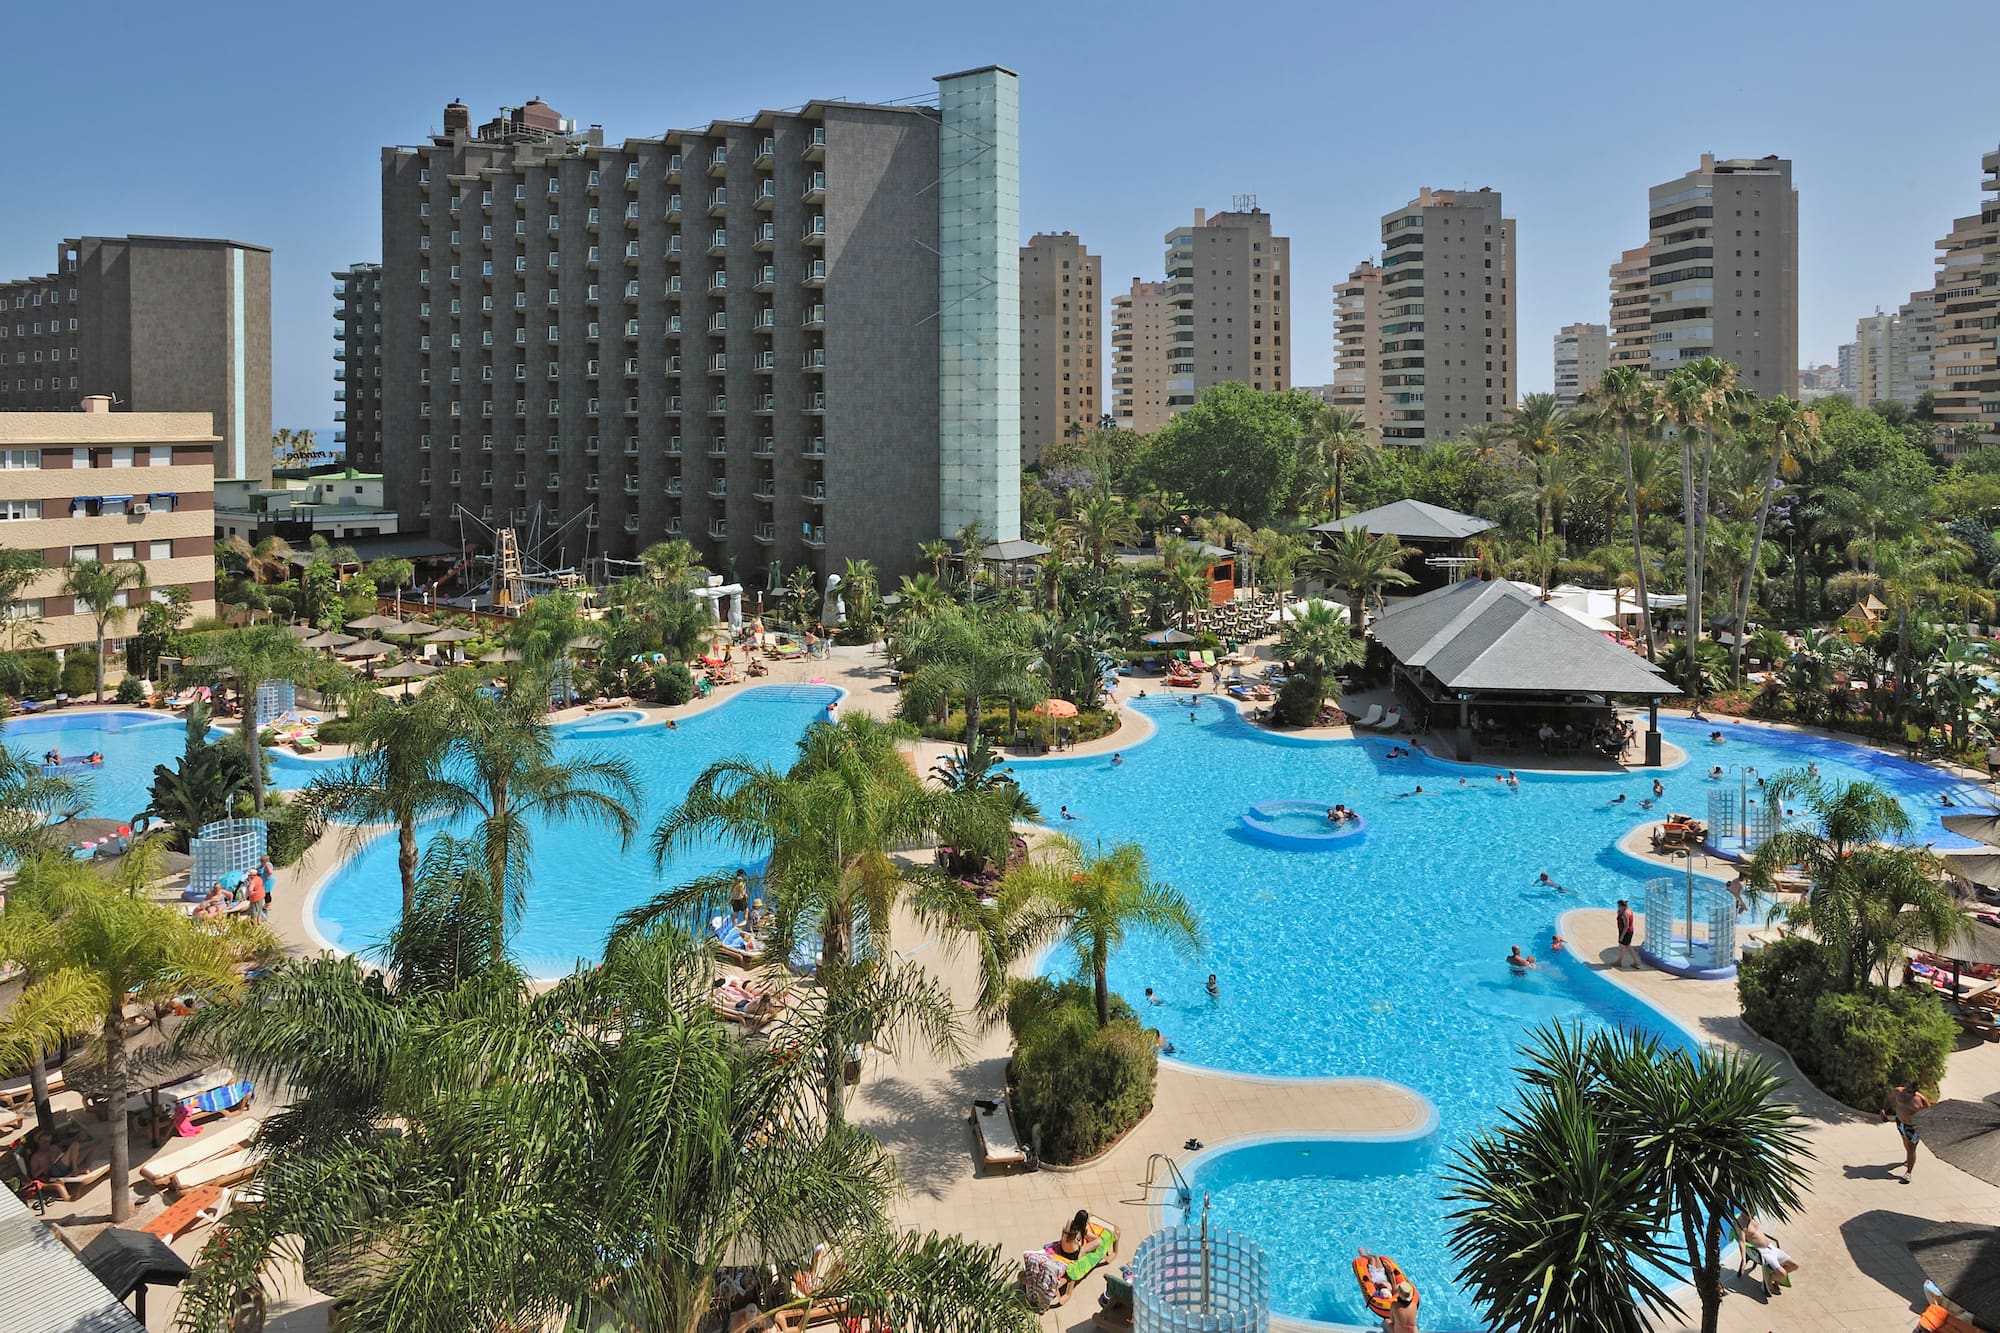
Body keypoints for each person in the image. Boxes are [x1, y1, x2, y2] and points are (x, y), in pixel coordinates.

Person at [1738, 1214, 1800, 1294]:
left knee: (1795, 1265)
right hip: (1764, 1252)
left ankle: (1776, 1277)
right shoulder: (1741, 1224)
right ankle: (1768, 1283)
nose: (1755, 1213)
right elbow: (1741, 1242)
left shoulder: (1751, 1218)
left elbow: (1757, 1233)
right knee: (1783, 1273)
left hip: (1771, 1247)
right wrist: (1743, 1260)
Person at [1885, 1081, 1932, 1180]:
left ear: (1915, 1090)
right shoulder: (1898, 1092)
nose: (1907, 1090)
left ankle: (1908, 1173)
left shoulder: (1920, 1099)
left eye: (1910, 1089)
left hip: (1913, 1127)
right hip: (1900, 1123)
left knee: (1911, 1148)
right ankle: (1909, 1160)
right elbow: (1890, 1100)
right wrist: (1884, 1110)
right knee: (1905, 1143)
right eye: (1906, 1087)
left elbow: (1929, 1113)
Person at [1615, 899, 1638, 969]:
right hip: (1628, 931)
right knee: (1626, 946)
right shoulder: (1628, 910)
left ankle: (1620, 962)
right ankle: (1634, 962)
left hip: (1626, 932)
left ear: (1623, 906)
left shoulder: (1625, 914)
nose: (1618, 907)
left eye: (1619, 906)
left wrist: (1622, 936)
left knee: (1624, 947)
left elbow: (1626, 926)